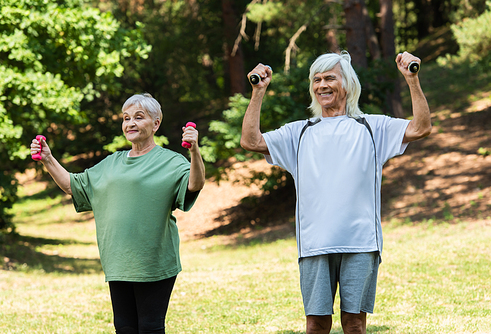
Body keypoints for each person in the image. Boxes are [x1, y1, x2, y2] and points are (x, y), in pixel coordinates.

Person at [240, 51, 431, 334]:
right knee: (316, 325)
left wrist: (411, 79)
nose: (321, 85)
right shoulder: (300, 132)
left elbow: (421, 127)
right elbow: (250, 140)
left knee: (354, 325)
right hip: (315, 244)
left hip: (361, 242)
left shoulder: (372, 126)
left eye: (329, 77)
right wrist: (258, 91)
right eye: (316, 80)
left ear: (348, 84)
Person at [30, 93, 205, 334]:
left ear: (156, 124)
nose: (130, 123)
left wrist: (195, 151)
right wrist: (48, 159)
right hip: (118, 262)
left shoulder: (171, 162)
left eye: (138, 117)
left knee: (150, 328)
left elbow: (195, 184)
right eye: (126, 118)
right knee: (124, 328)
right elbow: (73, 185)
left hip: (152, 263)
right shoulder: (111, 163)